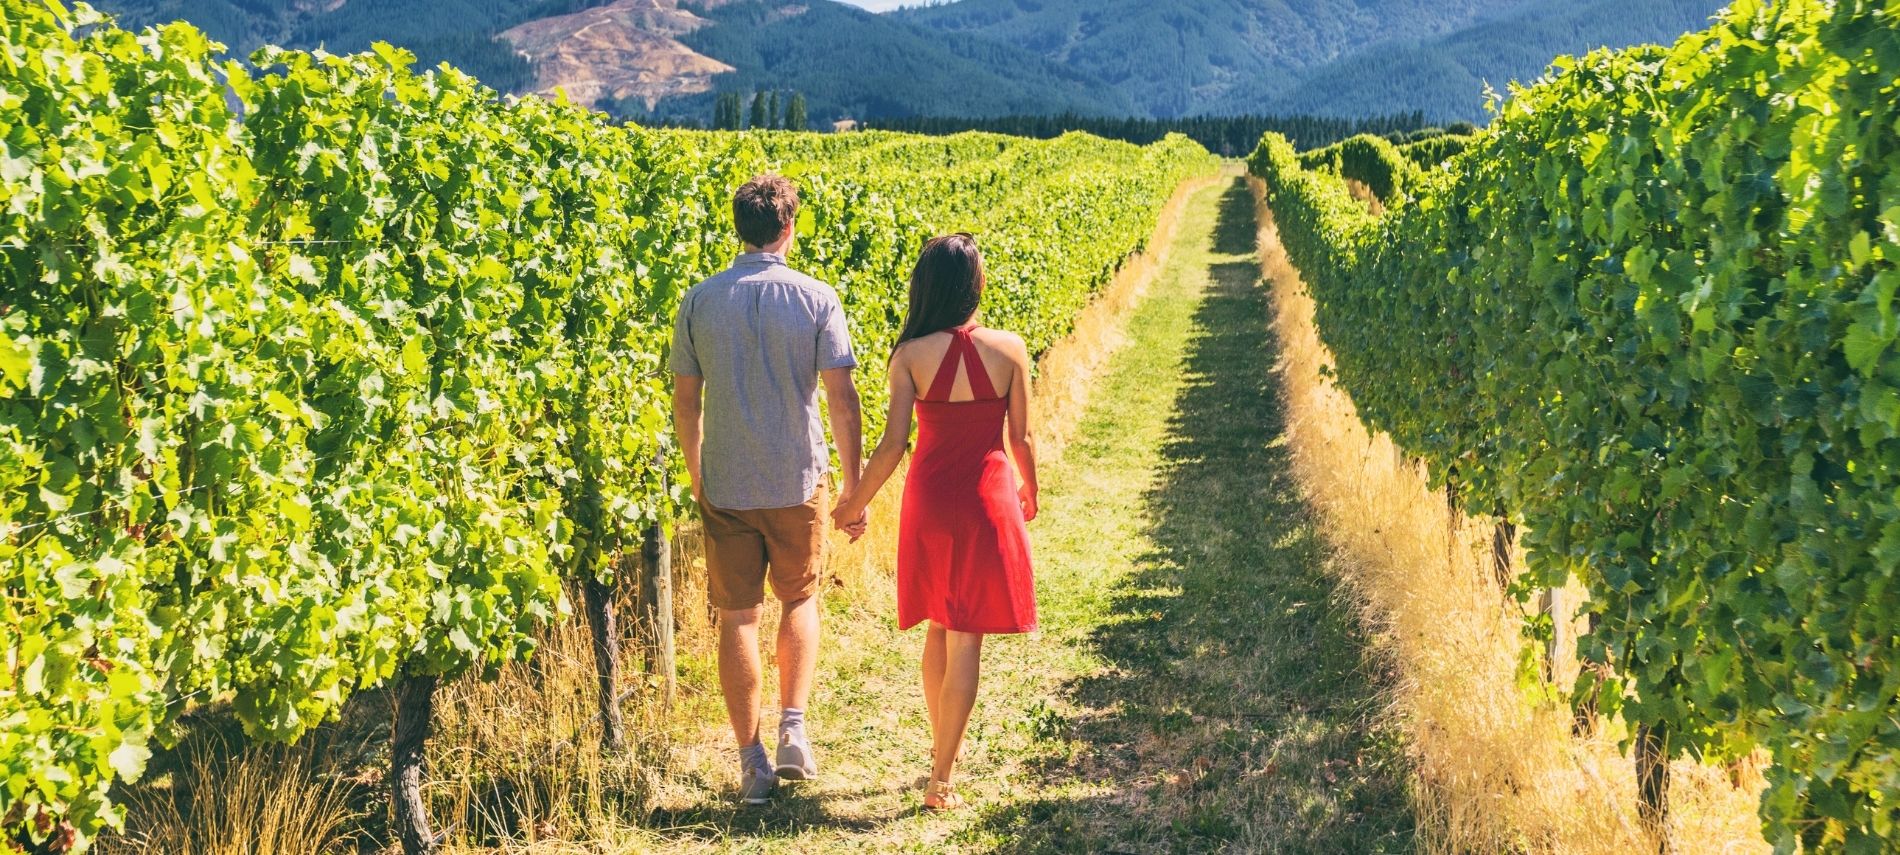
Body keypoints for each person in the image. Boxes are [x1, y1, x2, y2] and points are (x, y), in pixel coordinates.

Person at [670, 174, 865, 806]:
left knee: (737, 617)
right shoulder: (816, 298)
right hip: (795, 478)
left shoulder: (699, 301)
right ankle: (793, 733)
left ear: (738, 227)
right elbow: (842, 399)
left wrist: (700, 475)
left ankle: (751, 762)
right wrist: (854, 487)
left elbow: (686, 402)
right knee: (800, 599)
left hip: (726, 479)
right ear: (789, 227)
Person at [830, 234, 1038, 812]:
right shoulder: (1010, 349)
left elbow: (893, 446)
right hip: (985, 497)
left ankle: (940, 748)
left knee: (940, 628)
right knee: (966, 633)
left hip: (929, 500)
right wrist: (1032, 487)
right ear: (977, 285)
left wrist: (853, 503)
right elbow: (1020, 437)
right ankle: (942, 774)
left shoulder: (909, 356)